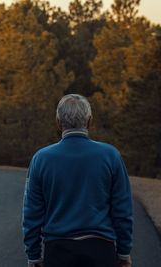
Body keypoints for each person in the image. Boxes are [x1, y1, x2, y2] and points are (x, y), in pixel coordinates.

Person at [22, 94, 133, 267]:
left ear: (58, 122)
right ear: (89, 121)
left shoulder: (41, 159)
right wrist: (124, 252)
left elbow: (32, 213)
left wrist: (34, 255)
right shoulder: (111, 155)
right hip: (101, 250)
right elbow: (122, 209)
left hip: (58, 250)